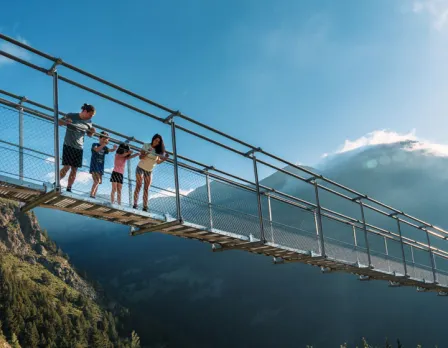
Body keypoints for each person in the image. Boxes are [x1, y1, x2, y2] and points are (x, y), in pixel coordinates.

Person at [58, 104, 96, 192]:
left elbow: (89, 135)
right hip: (69, 145)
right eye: (90, 115)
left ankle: (69, 188)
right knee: (66, 167)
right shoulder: (71, 115)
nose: (90, 117)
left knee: (74, 170)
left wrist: (92, 132)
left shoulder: (89, 122)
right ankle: (56, 182)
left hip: (79, 148)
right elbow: (59, 122)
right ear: (85, 111)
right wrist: (66, 122)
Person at [133, 134, 169, 212]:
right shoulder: (146, 145)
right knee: (138, 186)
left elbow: (158, 162)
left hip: (149, 170)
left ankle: (145, 207)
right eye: (156, 140)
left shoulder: (159, 150)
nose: (157, 142)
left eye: (159, 142)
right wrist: (147, 152)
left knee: (146, 188)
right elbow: (140, 157)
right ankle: (135, 204)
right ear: (153, 139)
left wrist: (165, 159)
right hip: (140, 168)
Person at [89, 131, 118, 198]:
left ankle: (93, 195)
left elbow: (110, 150)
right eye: (103, 138)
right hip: (94, 165)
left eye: (106, 138)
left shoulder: (105, 148)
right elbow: (96, 150)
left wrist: (114, 149)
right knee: (97, 181)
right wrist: (104, 144)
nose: (105, 139)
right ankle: (91, 194)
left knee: (99, 182)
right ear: (99, 138)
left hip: (100, 167)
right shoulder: (95, 144)